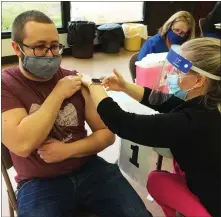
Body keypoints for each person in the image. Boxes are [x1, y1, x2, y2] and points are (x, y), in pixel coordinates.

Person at [1, 10, 153, 217]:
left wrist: (68, 150)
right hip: (39, 182)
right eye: (39, 47)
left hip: (89, 168)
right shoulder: (6, 85)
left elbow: (107, 135)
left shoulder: (75, 79)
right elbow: (23, 144)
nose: (50, 54)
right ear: (17, 48)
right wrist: (58, 94)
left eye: (55, 46)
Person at [81, 37, 221, 217]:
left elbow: (122, 123)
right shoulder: (209, 107)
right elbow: (167, 103)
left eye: (179, 72)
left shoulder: (188, 123)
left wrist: (93, 85)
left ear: (199, 80)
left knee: (157, 181)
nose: (174, 75)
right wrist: (124, 87)